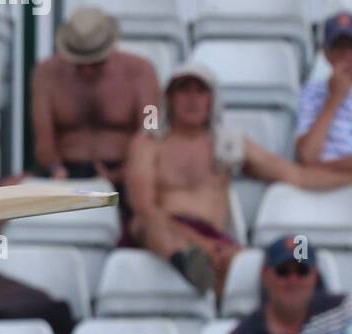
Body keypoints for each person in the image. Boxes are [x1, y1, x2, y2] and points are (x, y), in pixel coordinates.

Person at [126, 65, 352, 295]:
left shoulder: (228, 144)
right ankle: (186, 263)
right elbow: (143, 207)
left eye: (200, 92)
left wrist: (347, 177)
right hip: (165, 233)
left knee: (263, 265)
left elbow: (297, 176)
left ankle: (205, 281)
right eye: (184, 91)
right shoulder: (148, 143)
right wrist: (201, 244)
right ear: (169, 99)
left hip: (213, 239)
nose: (192, 100)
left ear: (211, 100)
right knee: (144, 223)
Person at [30, 7, 160, 189]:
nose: (87, 70)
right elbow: (43, 138)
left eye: (96, 62)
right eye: (79, 63)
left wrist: (123, 173)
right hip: (65, 172)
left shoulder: (141, 72)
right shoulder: (47, 73)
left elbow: (150, 130)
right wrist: (55, 168)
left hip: (126, 172)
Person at [229, 237, 352, 334]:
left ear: (314, 275)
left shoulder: (344, 311)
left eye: (302, 271)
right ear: (265, 276)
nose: (293, 281)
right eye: (283, 271)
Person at [295, 12, 352, 172]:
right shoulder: (310, 92)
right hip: (324, 186)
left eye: (351, 46)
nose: (347, 55)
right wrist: (334, 99)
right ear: (327, 54)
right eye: (339, 47)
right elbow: (307, 155)